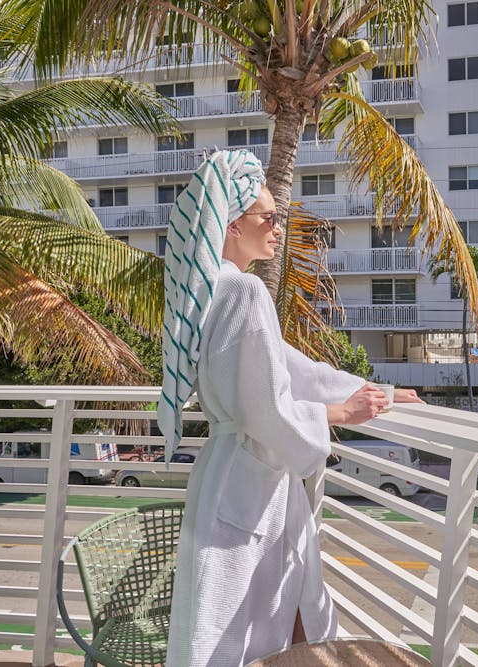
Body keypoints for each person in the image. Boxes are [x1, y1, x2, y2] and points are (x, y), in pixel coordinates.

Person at [158, 150, 422, 666]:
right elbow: (267, 408)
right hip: (246, 487)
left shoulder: (210, 288)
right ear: (233, 225)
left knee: (219, 626)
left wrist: (372, 389)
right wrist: (340, 413)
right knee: (237, 635)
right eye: (269, 218)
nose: (279, 228)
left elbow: (287, 366)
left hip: (227, 478)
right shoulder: (245, 290)